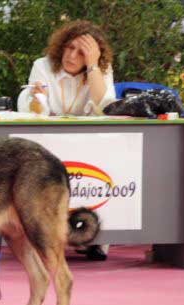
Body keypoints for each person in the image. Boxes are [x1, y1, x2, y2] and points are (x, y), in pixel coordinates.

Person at [19, 20, 115, 261]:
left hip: (90, 144)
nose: (71, 55)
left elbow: (105, 108)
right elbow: (34, 110)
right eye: (69, 47)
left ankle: (97, 239)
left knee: (106, 166)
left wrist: (93, 66)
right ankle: (41, 237)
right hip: (48, 143)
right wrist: (35, 98)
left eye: (81, 52)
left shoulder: (101, 70)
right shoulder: (42, 66)